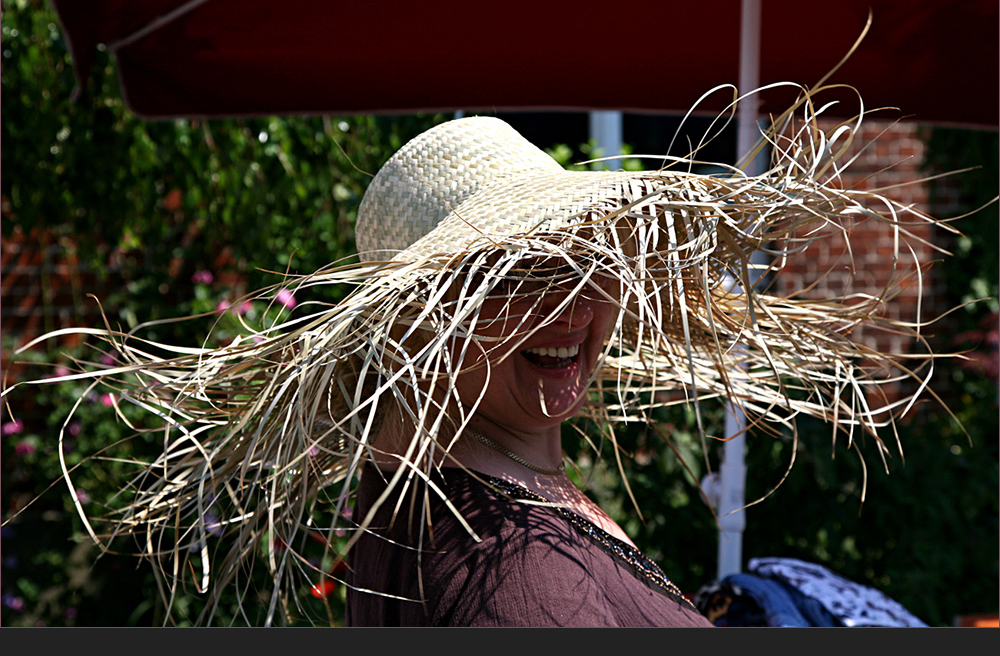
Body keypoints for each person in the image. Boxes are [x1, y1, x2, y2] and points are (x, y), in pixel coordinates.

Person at [5, 88, 942, 626]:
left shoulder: (477, 500)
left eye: (588, 263)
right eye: (514, 279)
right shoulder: (512, 577)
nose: (573, 305)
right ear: (418, 327)